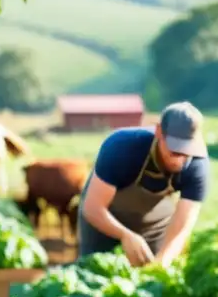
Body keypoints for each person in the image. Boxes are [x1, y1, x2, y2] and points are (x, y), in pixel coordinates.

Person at [77, 102, 210, 266]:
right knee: (94, 272)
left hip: (153, 226)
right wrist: (126, 235)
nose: (181, 160)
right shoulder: (122, 148)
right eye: (175, 151)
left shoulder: (198, 165)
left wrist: (162, 263)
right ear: (159, 131)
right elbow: (92, 208)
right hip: (104, 218)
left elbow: (182, 226)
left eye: (187, 151)